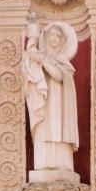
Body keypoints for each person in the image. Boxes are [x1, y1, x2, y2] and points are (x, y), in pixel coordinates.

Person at [23, 19, 79, 172]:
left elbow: (59, 76)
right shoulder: (39, 57)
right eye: (53, 35)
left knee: (58, 130)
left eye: (58, 37)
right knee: (44, 128)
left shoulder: (62, 61)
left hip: (59, 105)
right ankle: (43, 163)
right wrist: (33, 35)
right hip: (44, 102)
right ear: (46, 37)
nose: (55, 39)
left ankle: (62, 163)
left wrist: (43, 61)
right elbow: (30, 57)